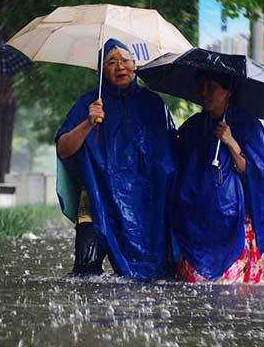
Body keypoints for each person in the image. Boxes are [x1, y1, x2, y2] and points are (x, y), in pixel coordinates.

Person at [56, 38, 176, 280]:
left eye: (125, 60)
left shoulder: (153, 105)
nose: (120, 66)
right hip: (95, 199)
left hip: (144, 204)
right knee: (85, 275)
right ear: (102, 71)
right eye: (112, 61)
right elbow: (63, 149)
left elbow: (168, 157)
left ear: (136, 64)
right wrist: (88, 123)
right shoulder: (88, 104)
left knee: (152, 278)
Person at [172, 73, 264, 283]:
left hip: (234, 225)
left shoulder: (248, 126)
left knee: (233, 293)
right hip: (197, 224)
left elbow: (257, 174)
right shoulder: (193, 127)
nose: (205, 93)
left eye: (212, 87)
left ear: (228, 91)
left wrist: (230, 141)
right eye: (203, 87)